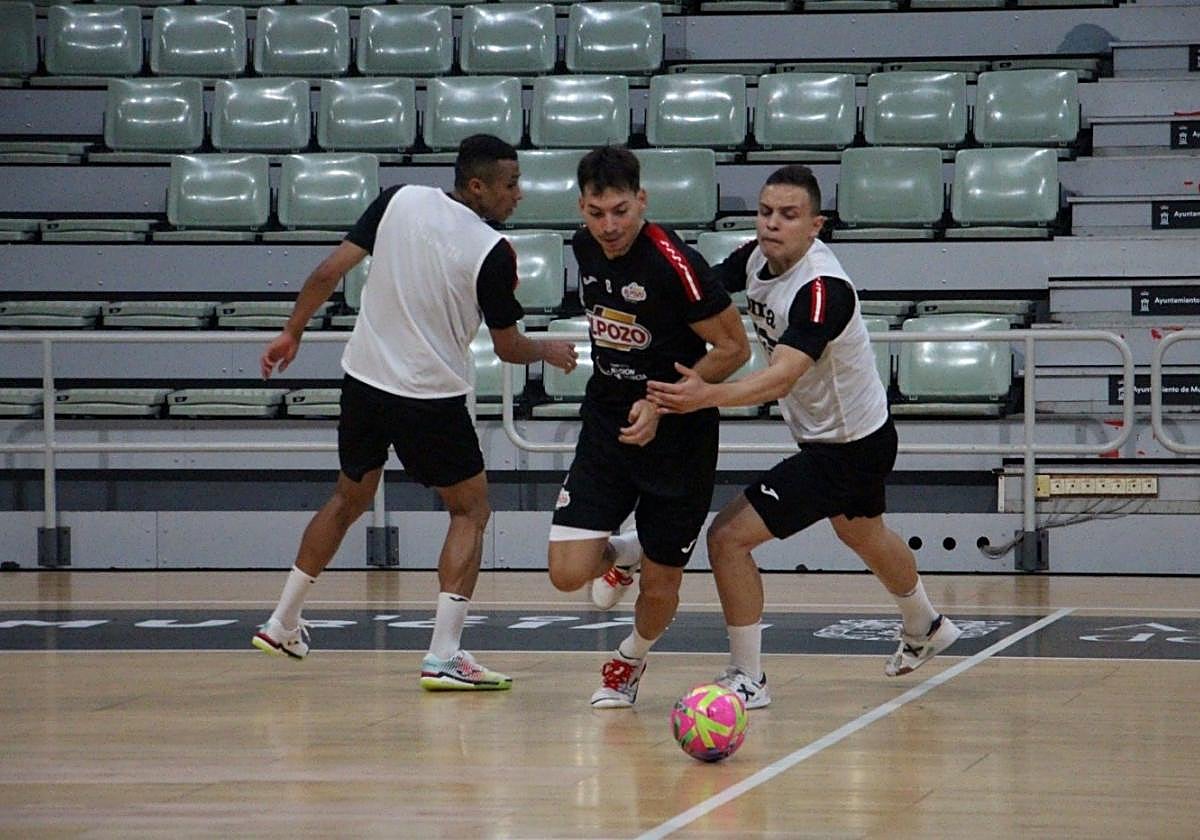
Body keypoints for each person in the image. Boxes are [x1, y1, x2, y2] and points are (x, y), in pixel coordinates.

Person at [252, 134, 578, 691]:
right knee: (470, 511)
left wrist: (291, 331)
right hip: (428, 397)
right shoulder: (491, 252)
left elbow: (329, 272)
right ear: (477, 187)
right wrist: (548, 349)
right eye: (510, 184)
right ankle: (444, 653)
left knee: (347, 498)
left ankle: (283, 619)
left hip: (363, 382)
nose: (518, 195)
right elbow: (506, 347)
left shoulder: (398, 198)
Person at [646, 164, 961, 709]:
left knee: (727, 539)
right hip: (854, 433)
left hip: (846, 448)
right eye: (766, 212)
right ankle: (926, 623)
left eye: (788, 215)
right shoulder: (754, 257)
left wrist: (705, 393)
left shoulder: (822, 290)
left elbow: (781, 375)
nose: (772, 224)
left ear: (815, 225)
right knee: (863, 534)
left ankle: (748, 677)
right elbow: (700, 300)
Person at [546, 145, 750, 708]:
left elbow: (734, 348)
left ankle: (630, 661)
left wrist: (660, 404)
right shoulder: (584, 246)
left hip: (677, 436)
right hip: (607, 423)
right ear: (581, 209)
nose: (608, 226)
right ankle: (623, 555)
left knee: (663, 586)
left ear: (642, 201)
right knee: (567, 573)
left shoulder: (673, 263)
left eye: (619, 211)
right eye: (595, 212)